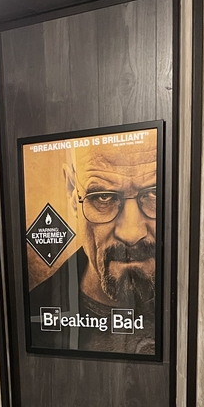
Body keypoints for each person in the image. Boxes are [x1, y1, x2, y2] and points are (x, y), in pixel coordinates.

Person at [28, 134, 158, 355]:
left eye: (154, 194)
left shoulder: (198, 303)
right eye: (103, 197)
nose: (130, 233)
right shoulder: (34, 313)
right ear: (72, 191)